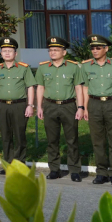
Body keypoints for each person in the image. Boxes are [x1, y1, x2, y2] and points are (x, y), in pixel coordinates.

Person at [35, 36, 86, 182]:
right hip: (50, 106)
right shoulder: (43, 67)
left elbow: (78, 88)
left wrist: (80, 107)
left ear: (64, 52)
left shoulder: (73, 67)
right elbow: (40, 87)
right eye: (51, 50)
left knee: (72, 139)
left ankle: (75, 170)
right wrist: (39, 106)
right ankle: (54, 169)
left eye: (56, 50)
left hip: (69, 106)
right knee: (52, 140)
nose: (53, 52)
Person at [0, 37, 35, 175]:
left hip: (19, 105)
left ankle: (20, 163)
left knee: (19, 135)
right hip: (3, 106)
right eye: (4, 51)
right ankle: (8, 164)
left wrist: (30, 105)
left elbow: (30, 87)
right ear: (1, 53)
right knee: (5, 135)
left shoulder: (24, 68)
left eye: (10, 51)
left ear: (15, 53)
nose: (7, 53)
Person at [84, 34, 112, 184]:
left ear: (106, 49)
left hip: (111, 103)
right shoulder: (86, 66)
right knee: (98, 140)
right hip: (94, 104)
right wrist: (84, 108)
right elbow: (85, 88)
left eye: (98, 48)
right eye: (92, 48)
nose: (94, 50)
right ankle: (101, 172)